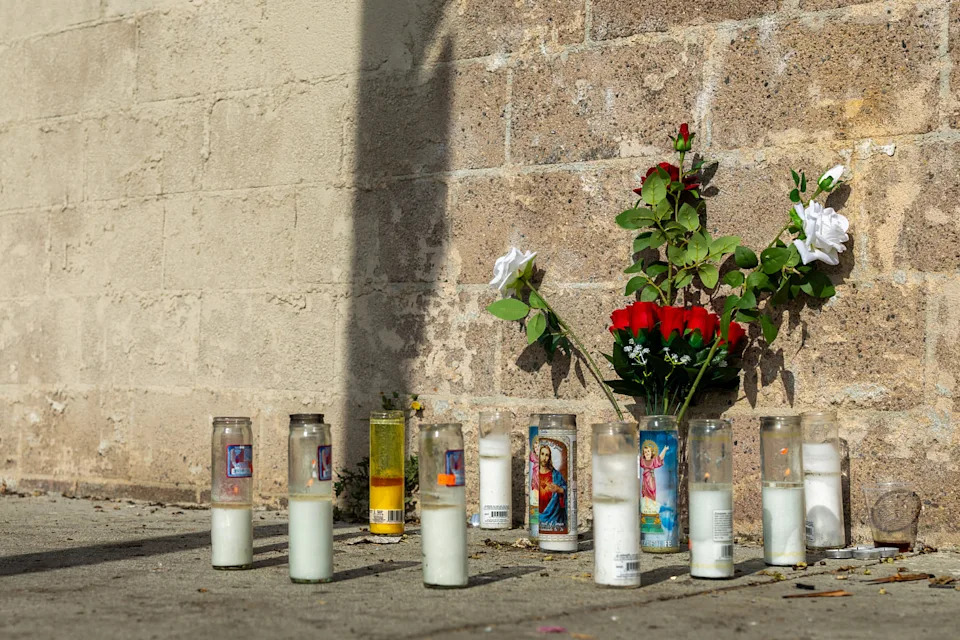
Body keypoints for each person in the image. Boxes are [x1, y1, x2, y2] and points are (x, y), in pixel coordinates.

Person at [538, 444, 566, 531]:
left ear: (549, 458)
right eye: (542, 454)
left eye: (547, 455)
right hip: (538, 515)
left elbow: (566, 489)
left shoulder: (556, 475)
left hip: (554, 516)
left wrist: (559, 489)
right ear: (538, 455)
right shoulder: (534, 474)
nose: (544, 458)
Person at [640, 440, 669, 514]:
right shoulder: (642, 461)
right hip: (645, 479)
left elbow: (660, 458)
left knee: (652, 490)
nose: (647, 453)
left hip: (651, 478)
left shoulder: (653, 461)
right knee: (645, 492)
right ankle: (646, 505)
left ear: (652, 452)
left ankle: (652, 504)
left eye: (648, 451)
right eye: (645, 452)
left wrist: (664, 450)